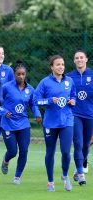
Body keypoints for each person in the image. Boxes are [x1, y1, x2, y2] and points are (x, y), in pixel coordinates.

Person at [34, 55, 76, 192]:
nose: (61, 67)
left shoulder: (69, 81)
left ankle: (65, 176)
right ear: (52, 67)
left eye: (62, 64)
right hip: (50, 123)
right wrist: (51, 100)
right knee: (50, 152)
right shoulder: (45, 83)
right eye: (58, 64)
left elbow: (73, 96)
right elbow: (37, 101)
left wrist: (73, 101)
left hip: (67, 121)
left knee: (66, 151)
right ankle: (50, 182)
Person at [0, 61, 42, 185]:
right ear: (14, 74)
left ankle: (17, 176)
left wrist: (37, 114)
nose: (21, 76)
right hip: (8, 123)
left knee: (24, 150)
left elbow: (33, 105)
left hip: (23, 124)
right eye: (18, 74)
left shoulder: (30, 89)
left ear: (26, 74)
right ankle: (6, 160)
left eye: (23, 74)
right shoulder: (6, 87)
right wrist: (4, 111)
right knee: (13, 151)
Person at [67, 50, 93, 185]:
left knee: (86, 145)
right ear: (74, 61)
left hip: (90, 115)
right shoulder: (69, 77)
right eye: (77, 58)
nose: (79, 60)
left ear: (86, 59)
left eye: (81, 57)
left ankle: (80, 167)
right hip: (75, 114)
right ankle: (81, 173)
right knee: (78, 143)